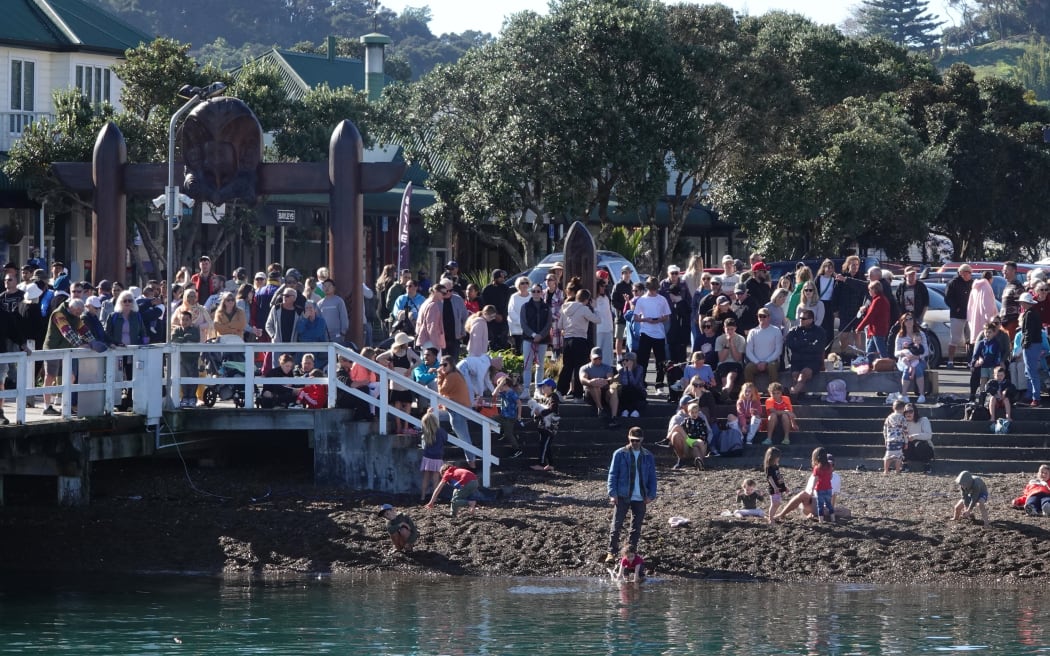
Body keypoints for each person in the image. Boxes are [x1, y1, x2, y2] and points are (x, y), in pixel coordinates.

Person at [605, 426, 657, 563]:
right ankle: (611, 552)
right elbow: (613, 474)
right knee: (616, 525)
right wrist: (612, 493)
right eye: (633, 440)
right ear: (628, 438)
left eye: (637, 441)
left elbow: (652, 477)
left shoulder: (648, 456)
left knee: (636, 528)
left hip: (640, 496)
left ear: (642, 440)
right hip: (622, 495)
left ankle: (631, 555)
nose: (635, 443)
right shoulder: (619, 453)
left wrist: (651, 495)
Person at [376, 332, 421, 435]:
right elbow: (419, 361)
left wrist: (388, 364)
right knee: (408, 403)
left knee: (397, 403)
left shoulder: (392, 351)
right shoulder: (408, 351)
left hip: (395, 381)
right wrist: (411, 368)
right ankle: (405, 426)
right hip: (405, 380)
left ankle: (398, 426)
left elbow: (378, 358)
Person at [558, 289, 599, 398]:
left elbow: (559, 325)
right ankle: (578, 395)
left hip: (567, 340)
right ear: (586, 300)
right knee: (579, 368)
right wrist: (595, 308)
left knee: (567, 367)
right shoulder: (584, 309)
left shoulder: (564, 307)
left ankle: (560, 392)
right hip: (580, 340)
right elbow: (597, 320)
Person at [633, 278, 671, 389]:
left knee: (660, 361)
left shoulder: (662, 299)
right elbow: (636, 317)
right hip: (645, 332)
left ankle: (659, 385)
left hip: (659, 334)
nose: (653, 291)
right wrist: (646, 320)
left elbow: (667, 316)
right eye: (651, 289)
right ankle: (641, 382)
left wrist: (659, 320)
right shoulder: (642, 300)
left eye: (654, 289)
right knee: (642, 360)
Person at [437, 356, 474, 467]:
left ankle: (472, 464)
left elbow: (441, 390)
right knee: (464, 437)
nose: (442, 367)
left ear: (451, 365)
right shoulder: (454, 375)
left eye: (445, 365)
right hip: (456, 409)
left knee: (464, 439)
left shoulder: (452, 376)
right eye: (441, 365)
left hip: (457, 411)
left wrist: (439, 375)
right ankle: (472, 463)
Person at [785, 309, 826, 398]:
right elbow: (789, 343)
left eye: (804, 318)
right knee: (795, 375)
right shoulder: (794, 330)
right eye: (800, 318)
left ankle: (792, 393)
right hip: (797, 360)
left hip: (812, 361)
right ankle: (797, 395)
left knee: (803, 374)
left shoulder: (819, 331)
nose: (801, 320)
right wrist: (806, 343)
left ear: (811, 320)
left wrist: (799, 345)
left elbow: (818, 348)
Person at [891, 312, 929, 404]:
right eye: (906, 320)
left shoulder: (920, 334)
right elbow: (896, 353)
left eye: (911, 319)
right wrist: (904, 353)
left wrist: (917, 356)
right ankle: (904, 394)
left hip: (919, 359)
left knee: (918, 368)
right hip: (904, 360)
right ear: (903, 322)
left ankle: (922, 395)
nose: (909, 321)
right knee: (907, 368)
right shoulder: (900, 336)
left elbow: (926, 351)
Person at [520, 283, 551, 393]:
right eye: (534, 291)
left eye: (538, 291)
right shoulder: (525, 306)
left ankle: (538, 389)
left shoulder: (546, 307)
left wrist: (541, 335)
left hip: (542, 340)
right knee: (527, 365)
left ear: (542, 292)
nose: (536, 293)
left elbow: (548, 324)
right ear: (531, 292)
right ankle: (526, 389)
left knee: (540, 365)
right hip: (528, 339)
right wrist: (533, 335)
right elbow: (523, 324)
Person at [580, 346, 620, 427]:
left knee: (613, 389)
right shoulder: (585, 368)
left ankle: (614, 417)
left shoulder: (607, 367)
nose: (598, 360)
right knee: (595, 385)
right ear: (590, 357)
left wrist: (606, 381)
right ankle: (600, 409)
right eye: (595, 358)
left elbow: (610, 378)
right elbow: (582, 379)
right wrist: (590, 381)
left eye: (599, 358)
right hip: (590, 393)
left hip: (604, 392)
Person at [743, 308, 782, 386]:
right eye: (760, 316)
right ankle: (751, 393)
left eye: (764, 316)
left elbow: (778, 350)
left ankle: (774, 393)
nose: (762, 318)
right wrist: (757, 362)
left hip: (771, 361)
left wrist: (766, 362)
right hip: (756, 362)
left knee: (772, 367)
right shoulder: (752, 332)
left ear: (769, 317)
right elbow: (748, 350)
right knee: (748, 368)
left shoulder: (776, 330)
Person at [528, 377, 560, 471]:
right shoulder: (543, 398)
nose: (542, 388)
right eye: (542, 387)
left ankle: (541, 464)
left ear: (551, 387)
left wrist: (541, 413)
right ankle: (550, 464)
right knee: (545, 445)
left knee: (544, 445)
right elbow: (540, 410)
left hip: (550, 426)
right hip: (543, 425)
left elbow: (552, 409)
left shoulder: (554, 397)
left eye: (544, 386)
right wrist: (537, 416)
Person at [944, 264, 974, 368]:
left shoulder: (972, 283)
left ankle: (969, 360)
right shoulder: (953, 283)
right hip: (957, 315)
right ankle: (950, 361)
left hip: (969, 315)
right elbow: (947, 298)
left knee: (970, 339)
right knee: (955, 339)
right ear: (962, 273)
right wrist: (955, 307)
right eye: (969, 272)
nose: (970, 274)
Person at [170, 310, 201, 407]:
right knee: (183, 378)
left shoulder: (195, 329)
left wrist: (183, 338)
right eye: (183, 319)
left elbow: (196, 338)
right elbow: (174, 339)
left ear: (191, 320)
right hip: (182, 359)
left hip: (192, 359)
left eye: (187, 319)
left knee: (192, 378)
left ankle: (192, 398)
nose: (185, 321)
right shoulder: (177, 330)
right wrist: (185, 338)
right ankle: (185, 397)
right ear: (180, 320)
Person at [1019, 292, 1044, 407]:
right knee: (1029, 371)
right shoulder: (1034, 313)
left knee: (1031, 371)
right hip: (1035, 344)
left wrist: (1025, 344)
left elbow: (1028, 331)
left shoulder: (1029, 314)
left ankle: (1035, 397)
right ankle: (1031, 395)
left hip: (1031, 345)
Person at [419, 408, 449, 502]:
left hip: (427, 457)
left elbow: (427, 421)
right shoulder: (440, 431)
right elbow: (445, 439)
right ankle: (434, 498)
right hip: (437, 457)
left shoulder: (426, 431)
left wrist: (427, 413)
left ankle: (423, 496)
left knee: (426, 478)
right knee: (436, 479)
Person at [856, 280, 891, 358]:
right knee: (870, 350)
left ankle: (887, 366)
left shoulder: (878, 300)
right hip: (875, 330)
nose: (869, 291)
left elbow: (870, 316)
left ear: (875, 289)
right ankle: (868, 364)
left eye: (870, 289)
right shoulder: (880, 299)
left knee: (881, 351)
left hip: (878, 329)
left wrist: (859, 327)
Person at [491, 374, 524, 457]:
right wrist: (500, 384)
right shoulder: (503, 392)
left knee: (509, 434)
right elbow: (494, 393)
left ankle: (517, 449)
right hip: (503, 416)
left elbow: (519, 403)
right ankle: (502, 431)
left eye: (499, 384)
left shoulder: (511, 393)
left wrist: (519, 415)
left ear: (505, 384)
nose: (498, 386)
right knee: (491, 419)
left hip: (510, 418)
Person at [714, 317, 746, 397]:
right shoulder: (719, 339)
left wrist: (732, 344)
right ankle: (726, 396)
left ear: (735, 328)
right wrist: (727, 345)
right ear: (724, 328)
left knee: (730, 376)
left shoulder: (741, 339)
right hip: (723, 363)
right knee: (724, 378)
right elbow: (721, 359)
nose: (729, 331)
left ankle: (726, 390)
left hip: (735, 363)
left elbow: (737, 358)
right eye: (727, 329)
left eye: (731, 329)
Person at [616, 351, 647, 417]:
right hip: (626, 392)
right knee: (625, 389)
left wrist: (629, 371)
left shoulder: (639, 368)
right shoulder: (621, 370)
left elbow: (634, 383)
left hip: (638, 391)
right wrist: (625, 371)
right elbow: (624, 383)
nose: (625, 362)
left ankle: (633, 410)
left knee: (632, 388)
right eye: (624, 360)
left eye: (627, 360)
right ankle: (626, 410)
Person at [883, 399, 908, 474]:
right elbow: (905, 430)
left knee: (888, 455)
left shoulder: (889, 417)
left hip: (889, 440)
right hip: (899, 440)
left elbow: (885, 429)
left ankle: (886, 470)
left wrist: (885, 439)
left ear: (893, 408)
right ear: (903, 409)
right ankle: (897, 470)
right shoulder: (903, 418)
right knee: (898, 456)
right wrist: (906, 442)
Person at [507, 276, 531, 355]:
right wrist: (520, 322)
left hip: (529, 328)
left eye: (526, 282)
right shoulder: (514, 297)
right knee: (518, 350)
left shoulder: (532, 296)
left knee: (528, 350)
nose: (525, 285)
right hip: (516, 328)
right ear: (518, 285)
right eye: (522, 283)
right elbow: (511, 311)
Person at [764, 446, 788, 523]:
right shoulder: (769, 467)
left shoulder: (776, 466)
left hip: (778, 488)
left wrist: (784, 487)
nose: (778, 458)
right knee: (774, 503)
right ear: (772, 457)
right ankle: (771, 519)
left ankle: (772, 517)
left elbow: (779, 477)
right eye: (777, 457)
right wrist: (775, 487)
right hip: (773, 488)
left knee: (777, 503)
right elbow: (770, 478)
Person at [811, 447, 835, 523]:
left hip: (819, 488)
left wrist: (812, 489)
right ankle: (833, 519)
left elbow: (816, 479)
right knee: (829, 504)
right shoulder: (829, 466)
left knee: (820, 506)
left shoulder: (817, 468)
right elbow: (831, 477)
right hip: (828, 488)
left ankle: (821, 520)